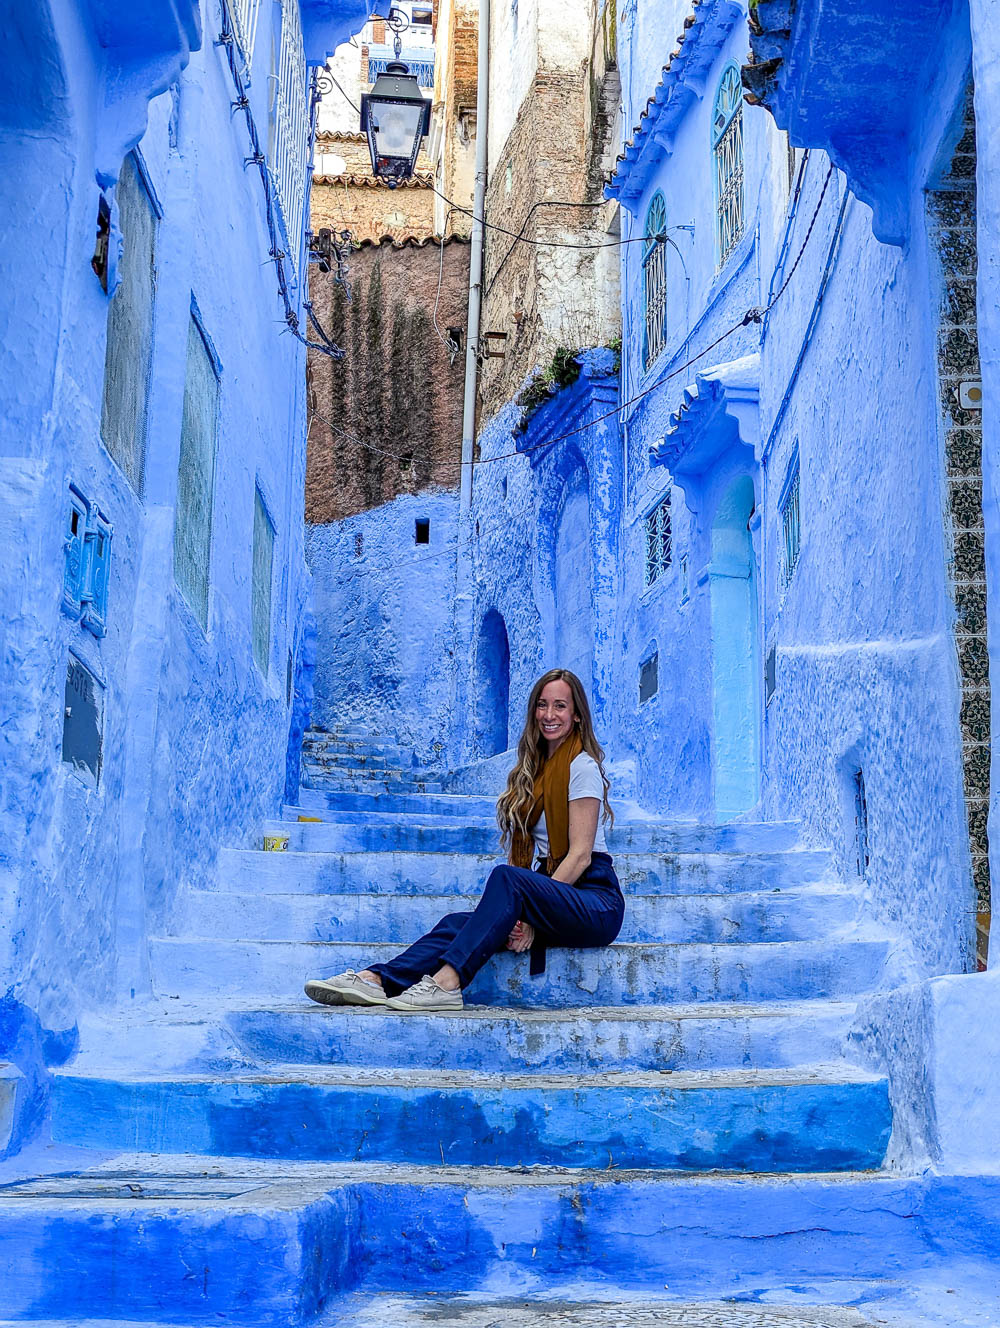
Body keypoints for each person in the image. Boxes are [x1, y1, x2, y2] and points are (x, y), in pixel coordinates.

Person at [304, 667, 624, 1013]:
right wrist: (529, 913)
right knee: (459, 923)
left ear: (576, 716)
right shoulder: (537, 770)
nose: (549, 715)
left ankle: (447, 983)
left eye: (560, 706)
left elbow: (579, 857)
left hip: (594, 901)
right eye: (542, 705)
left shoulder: (582, 766)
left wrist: (533, 917)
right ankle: (378, 981)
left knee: (508, 879)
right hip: (553, 892)